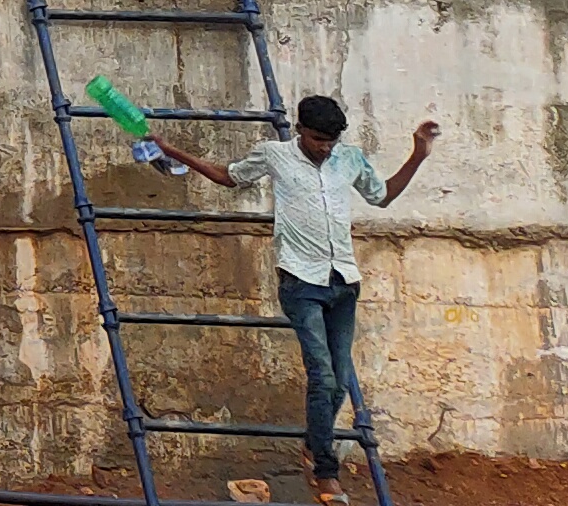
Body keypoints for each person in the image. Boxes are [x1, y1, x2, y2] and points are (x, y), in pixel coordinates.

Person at [156, 98, 440, 504]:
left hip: (343, 281)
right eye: (318, 139)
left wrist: (417, 155)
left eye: (331, 140)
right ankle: (326, 473)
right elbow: (228, 176)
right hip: (300, 281)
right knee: (322, 376)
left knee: (339, 381)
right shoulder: (275, 156)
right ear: (301, 130)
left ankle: (313, 444)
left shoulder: (350, 159)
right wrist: (172, 151)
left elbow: (382, 197)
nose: (325, 147)